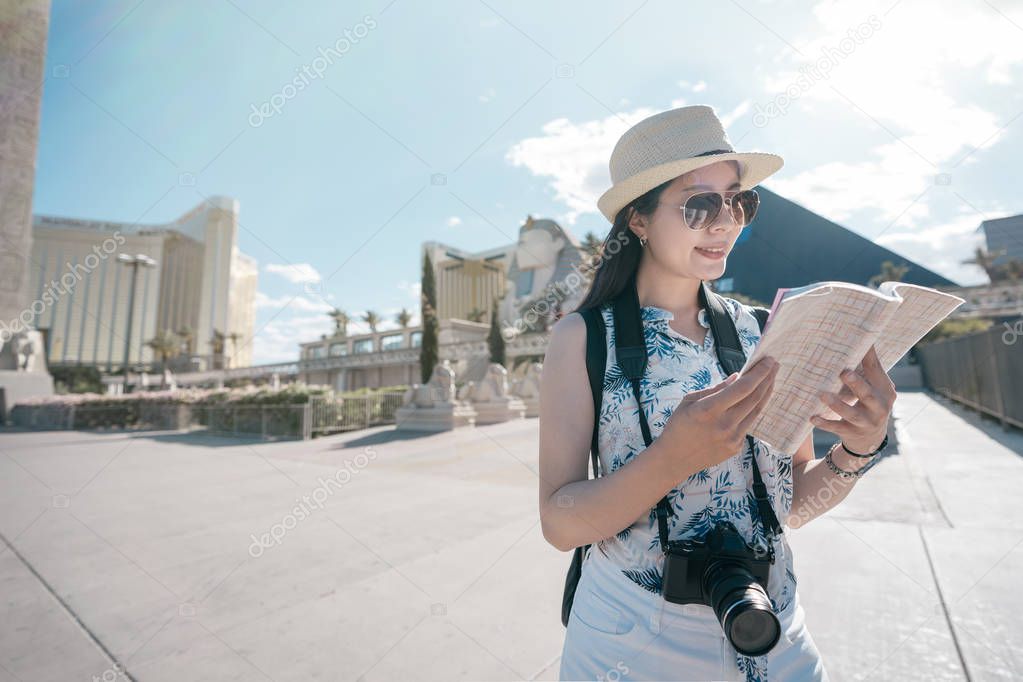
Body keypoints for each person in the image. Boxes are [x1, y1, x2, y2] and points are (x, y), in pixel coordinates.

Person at [538, 105, 896, 681]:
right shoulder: (582, 339)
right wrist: (672, 458)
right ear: (639, 220)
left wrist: (859, 450)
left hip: (773, 629)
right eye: (699, 203)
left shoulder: (769, 331)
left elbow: (793, 505)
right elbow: (559, 523)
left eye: (739, 200)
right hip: (629, 642)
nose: (726, 221)